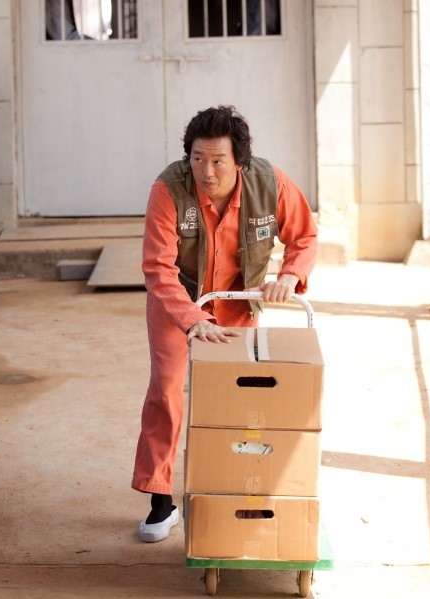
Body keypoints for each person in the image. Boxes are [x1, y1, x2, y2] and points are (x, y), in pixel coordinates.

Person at [131, 106, 318, 542]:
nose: (207, 171)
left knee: (240, 395)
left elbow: (305, 236)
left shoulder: (269, 183)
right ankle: (161, 500)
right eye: (198, 159)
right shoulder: (168, 189)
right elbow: (158, 268)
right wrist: (192, 319)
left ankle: (239, 486)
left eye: (218, 160)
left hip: (236, 299)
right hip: (179, 299)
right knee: (166, 391)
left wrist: (289, 275)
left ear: (239, 161)